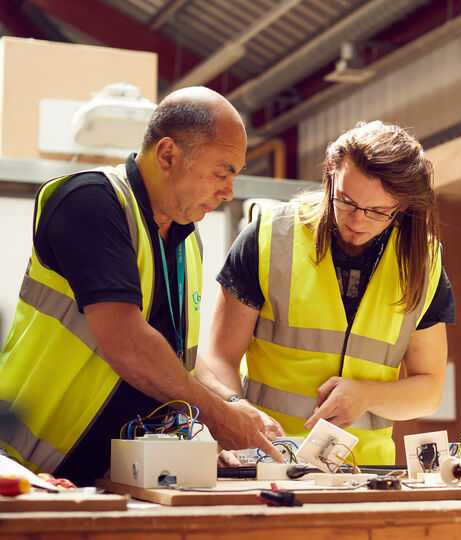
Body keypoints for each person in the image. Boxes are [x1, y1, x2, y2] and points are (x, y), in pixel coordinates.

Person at [0, 86, 283, 486]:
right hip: (27, 471)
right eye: (221, 173)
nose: (228, 192)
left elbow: (174, 357)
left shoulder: (187, 240)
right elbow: (127, 340)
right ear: (168, 155)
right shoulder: (91, 201)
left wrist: (232, 405)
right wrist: (217, 417)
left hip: (109, 482)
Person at [195, 120, 455, 465]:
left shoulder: (423, 262)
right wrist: (236, 422)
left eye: (378, 211)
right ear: (331, 173)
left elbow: (429, 391)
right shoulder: (270, 237)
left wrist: (366, 396)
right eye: (346, 201)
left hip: (369, 473)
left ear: (402, 205)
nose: (358, 221)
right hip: (269, 461)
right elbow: (218, 358)